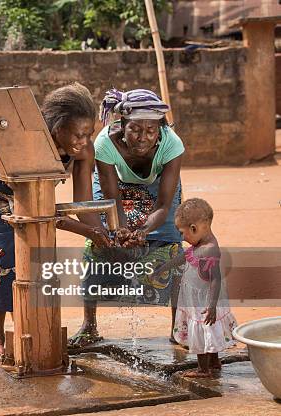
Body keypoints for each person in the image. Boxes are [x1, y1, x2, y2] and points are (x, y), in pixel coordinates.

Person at [0, 83, 111, 360]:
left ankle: (30, 326)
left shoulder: (83, 150)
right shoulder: (32, 146)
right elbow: (39, 212)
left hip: (32, 194)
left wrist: (101, 232)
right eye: (77, 134)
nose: (83, 141)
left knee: (38, 256)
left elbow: (83, 205)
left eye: (88, 134)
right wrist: (89, 232)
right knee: (3, 258)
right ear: (56, 128)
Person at [69, 88, 184, 349]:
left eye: (151, 130)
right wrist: (120, 231)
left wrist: (143, 231)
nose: (143, 137)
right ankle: (89, 325)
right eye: (135, 129)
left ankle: (179, 326)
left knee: (172, 246)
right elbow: (113, 202)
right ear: (122, 125)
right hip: (115, 186)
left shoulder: (172, 144)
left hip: (158, 191)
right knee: (100, 243)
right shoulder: (105, 144)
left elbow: (164, 205)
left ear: (159, 129)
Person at [154, 198, 237, 377]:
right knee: (208, 331)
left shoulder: (209, 250)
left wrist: (212, 306)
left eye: (182, 233)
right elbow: (183, 258)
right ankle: (214, 362)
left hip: (203, 303)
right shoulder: (199, 244)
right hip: (199, 300)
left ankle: (203, 369)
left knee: (201, 332)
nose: (181, 237)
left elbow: (216, 279)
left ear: (194, 228)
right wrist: (162, 269)